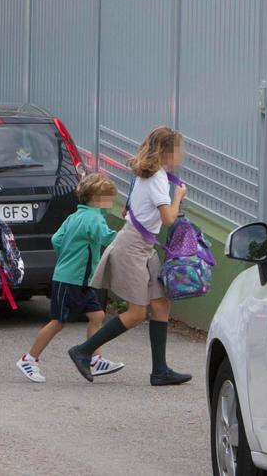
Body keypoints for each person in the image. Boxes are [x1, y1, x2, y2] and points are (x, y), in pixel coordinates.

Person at [67, 126, 193, 386]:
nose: (181, 155)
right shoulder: (157, 177)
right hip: (133, 247)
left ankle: (160, 371)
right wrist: (178, 197)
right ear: (165, 151)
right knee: (136, 313)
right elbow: (168, 218)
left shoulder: (149, 175)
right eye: (178, 150)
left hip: (144, 247)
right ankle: (83, 350)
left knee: (160, 304)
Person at [16, 174, 125, 383]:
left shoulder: (74, 216)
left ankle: (95, 359)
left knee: (97, 315)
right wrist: (130, 233)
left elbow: (56, 239)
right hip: (72, 280)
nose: (111, 202)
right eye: (109, 198)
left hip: (75, 278)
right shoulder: (94, 218)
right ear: (96, 198)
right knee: (58, 321)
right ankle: (29, 359)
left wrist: (66, 257)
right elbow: (107, 238)